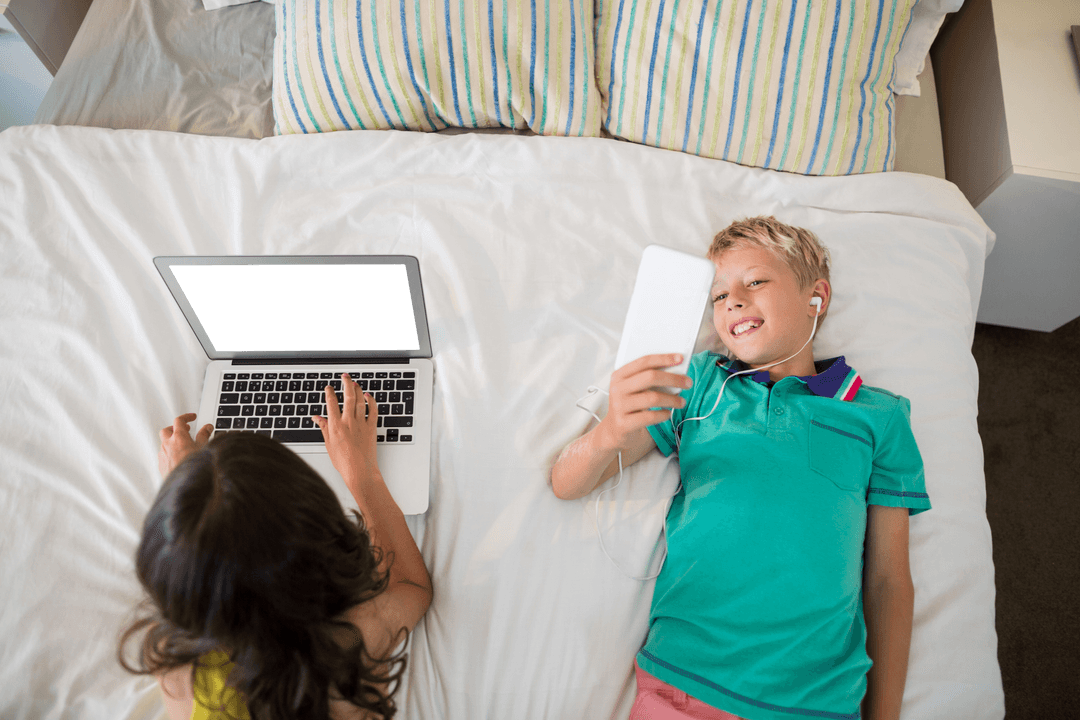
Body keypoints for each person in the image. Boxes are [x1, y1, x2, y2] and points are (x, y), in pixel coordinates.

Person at [550, 216, 930, 720]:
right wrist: (610, 433)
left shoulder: (878, 416)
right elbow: (566, 483)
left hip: (815, 702)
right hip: (685, 685)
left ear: (816, 297)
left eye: (754, 282)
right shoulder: (700, 383)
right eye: (717, 295)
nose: (732, 300)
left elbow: (888, 581)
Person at [119, 373, 432, 720]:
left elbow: (207, 573)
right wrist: (362, 472)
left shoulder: (176, 665)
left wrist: (193, 500)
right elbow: (411, 586)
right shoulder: (348, 646)